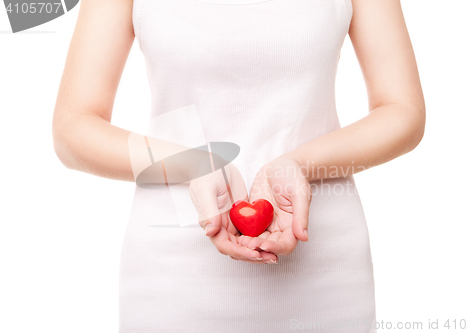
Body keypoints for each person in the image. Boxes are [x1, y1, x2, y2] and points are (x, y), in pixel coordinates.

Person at [52, 0, 425, 331]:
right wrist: (192, 164)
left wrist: (300, 164)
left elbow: (403, 112)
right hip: (170, 281)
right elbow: (73, 129)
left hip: (326, 274)